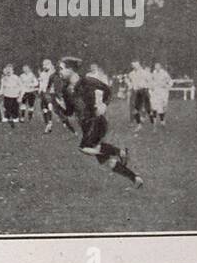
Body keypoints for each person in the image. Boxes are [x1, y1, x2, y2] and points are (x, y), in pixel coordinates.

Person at [55, 57, 143, 188]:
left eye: (61, 69)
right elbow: (69, 112)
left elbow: (107, 90)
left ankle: (120, 152)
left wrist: (103, 105)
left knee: (84, 147)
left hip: (96, 120)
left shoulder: (87, 81)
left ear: (71, 69)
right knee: (107, 161)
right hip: (86, 124)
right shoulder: (66, 89)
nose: (59, 72)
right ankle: (135, 178)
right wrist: (60, 106)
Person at [128, 58, 152, 132]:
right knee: (133, 107)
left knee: (146, 107)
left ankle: (145, 119)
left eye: (136, 64)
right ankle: (138, 124)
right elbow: (131, 83)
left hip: (143, 91)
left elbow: (150, 81)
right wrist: (130, 88)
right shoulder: (131, 74)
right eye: (133, 64)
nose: (134, 66)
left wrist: (145, 87)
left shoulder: (144, 72)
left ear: (139, 64)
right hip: (135, 92)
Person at [148, 60, 173, 130]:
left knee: (162, 108)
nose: (157, 67)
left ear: (160, 66)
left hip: (162, 92)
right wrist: (151, 88)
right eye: (156, 66)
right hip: (155, 93)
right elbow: (150, 82)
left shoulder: (164, 73)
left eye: (158, 66)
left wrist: (168, 86)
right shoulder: (153, 73)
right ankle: (154, 123)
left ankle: (162, 121)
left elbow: (170, 81)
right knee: (154, 107)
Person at [37, 58, 58, 133]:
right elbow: (41, 83)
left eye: (46, 65)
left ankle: (49, 123)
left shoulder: (54, 73)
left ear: (50, 64)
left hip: (50, 92)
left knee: (49, 106)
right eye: (43, 65)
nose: (44, 66)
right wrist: (40, 90)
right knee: (44, 108)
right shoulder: (43, 73)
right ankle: (49, 123)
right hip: (44, 92)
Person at [0, 63, 22, 129]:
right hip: (7, 95)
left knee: (15, 107)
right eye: (7, 70)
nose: (8, 71)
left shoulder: (16, 78)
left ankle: (15, 117)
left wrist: (20, 96)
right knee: (7, 107)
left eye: (10, 70)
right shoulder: (3, 79)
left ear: (13, 71)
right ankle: (7, 117)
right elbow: (2, 88)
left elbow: (21, 87)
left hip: (15, 95)